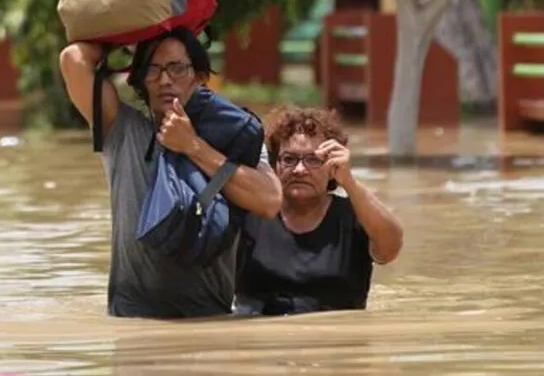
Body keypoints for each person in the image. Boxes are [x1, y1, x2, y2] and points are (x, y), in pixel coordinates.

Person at [59, 27, 282, 319]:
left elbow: (270, 200)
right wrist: (132, 34)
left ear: (200, 78)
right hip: (132, 318)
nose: (165, 80)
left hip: (209, 320)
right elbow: (72, 58)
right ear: (139, 81)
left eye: (177, 68)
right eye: (152, 70)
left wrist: (193, 147)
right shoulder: (123, 131)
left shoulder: (237, 140)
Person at [234, 106, 404, 316]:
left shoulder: (354, 216)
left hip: (334, 339)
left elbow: (391, 248)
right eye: (289, 159)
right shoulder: (249, 212)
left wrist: (349, 182)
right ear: (274, 164)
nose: (299, 170)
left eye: (313, 160)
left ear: (332, 167)